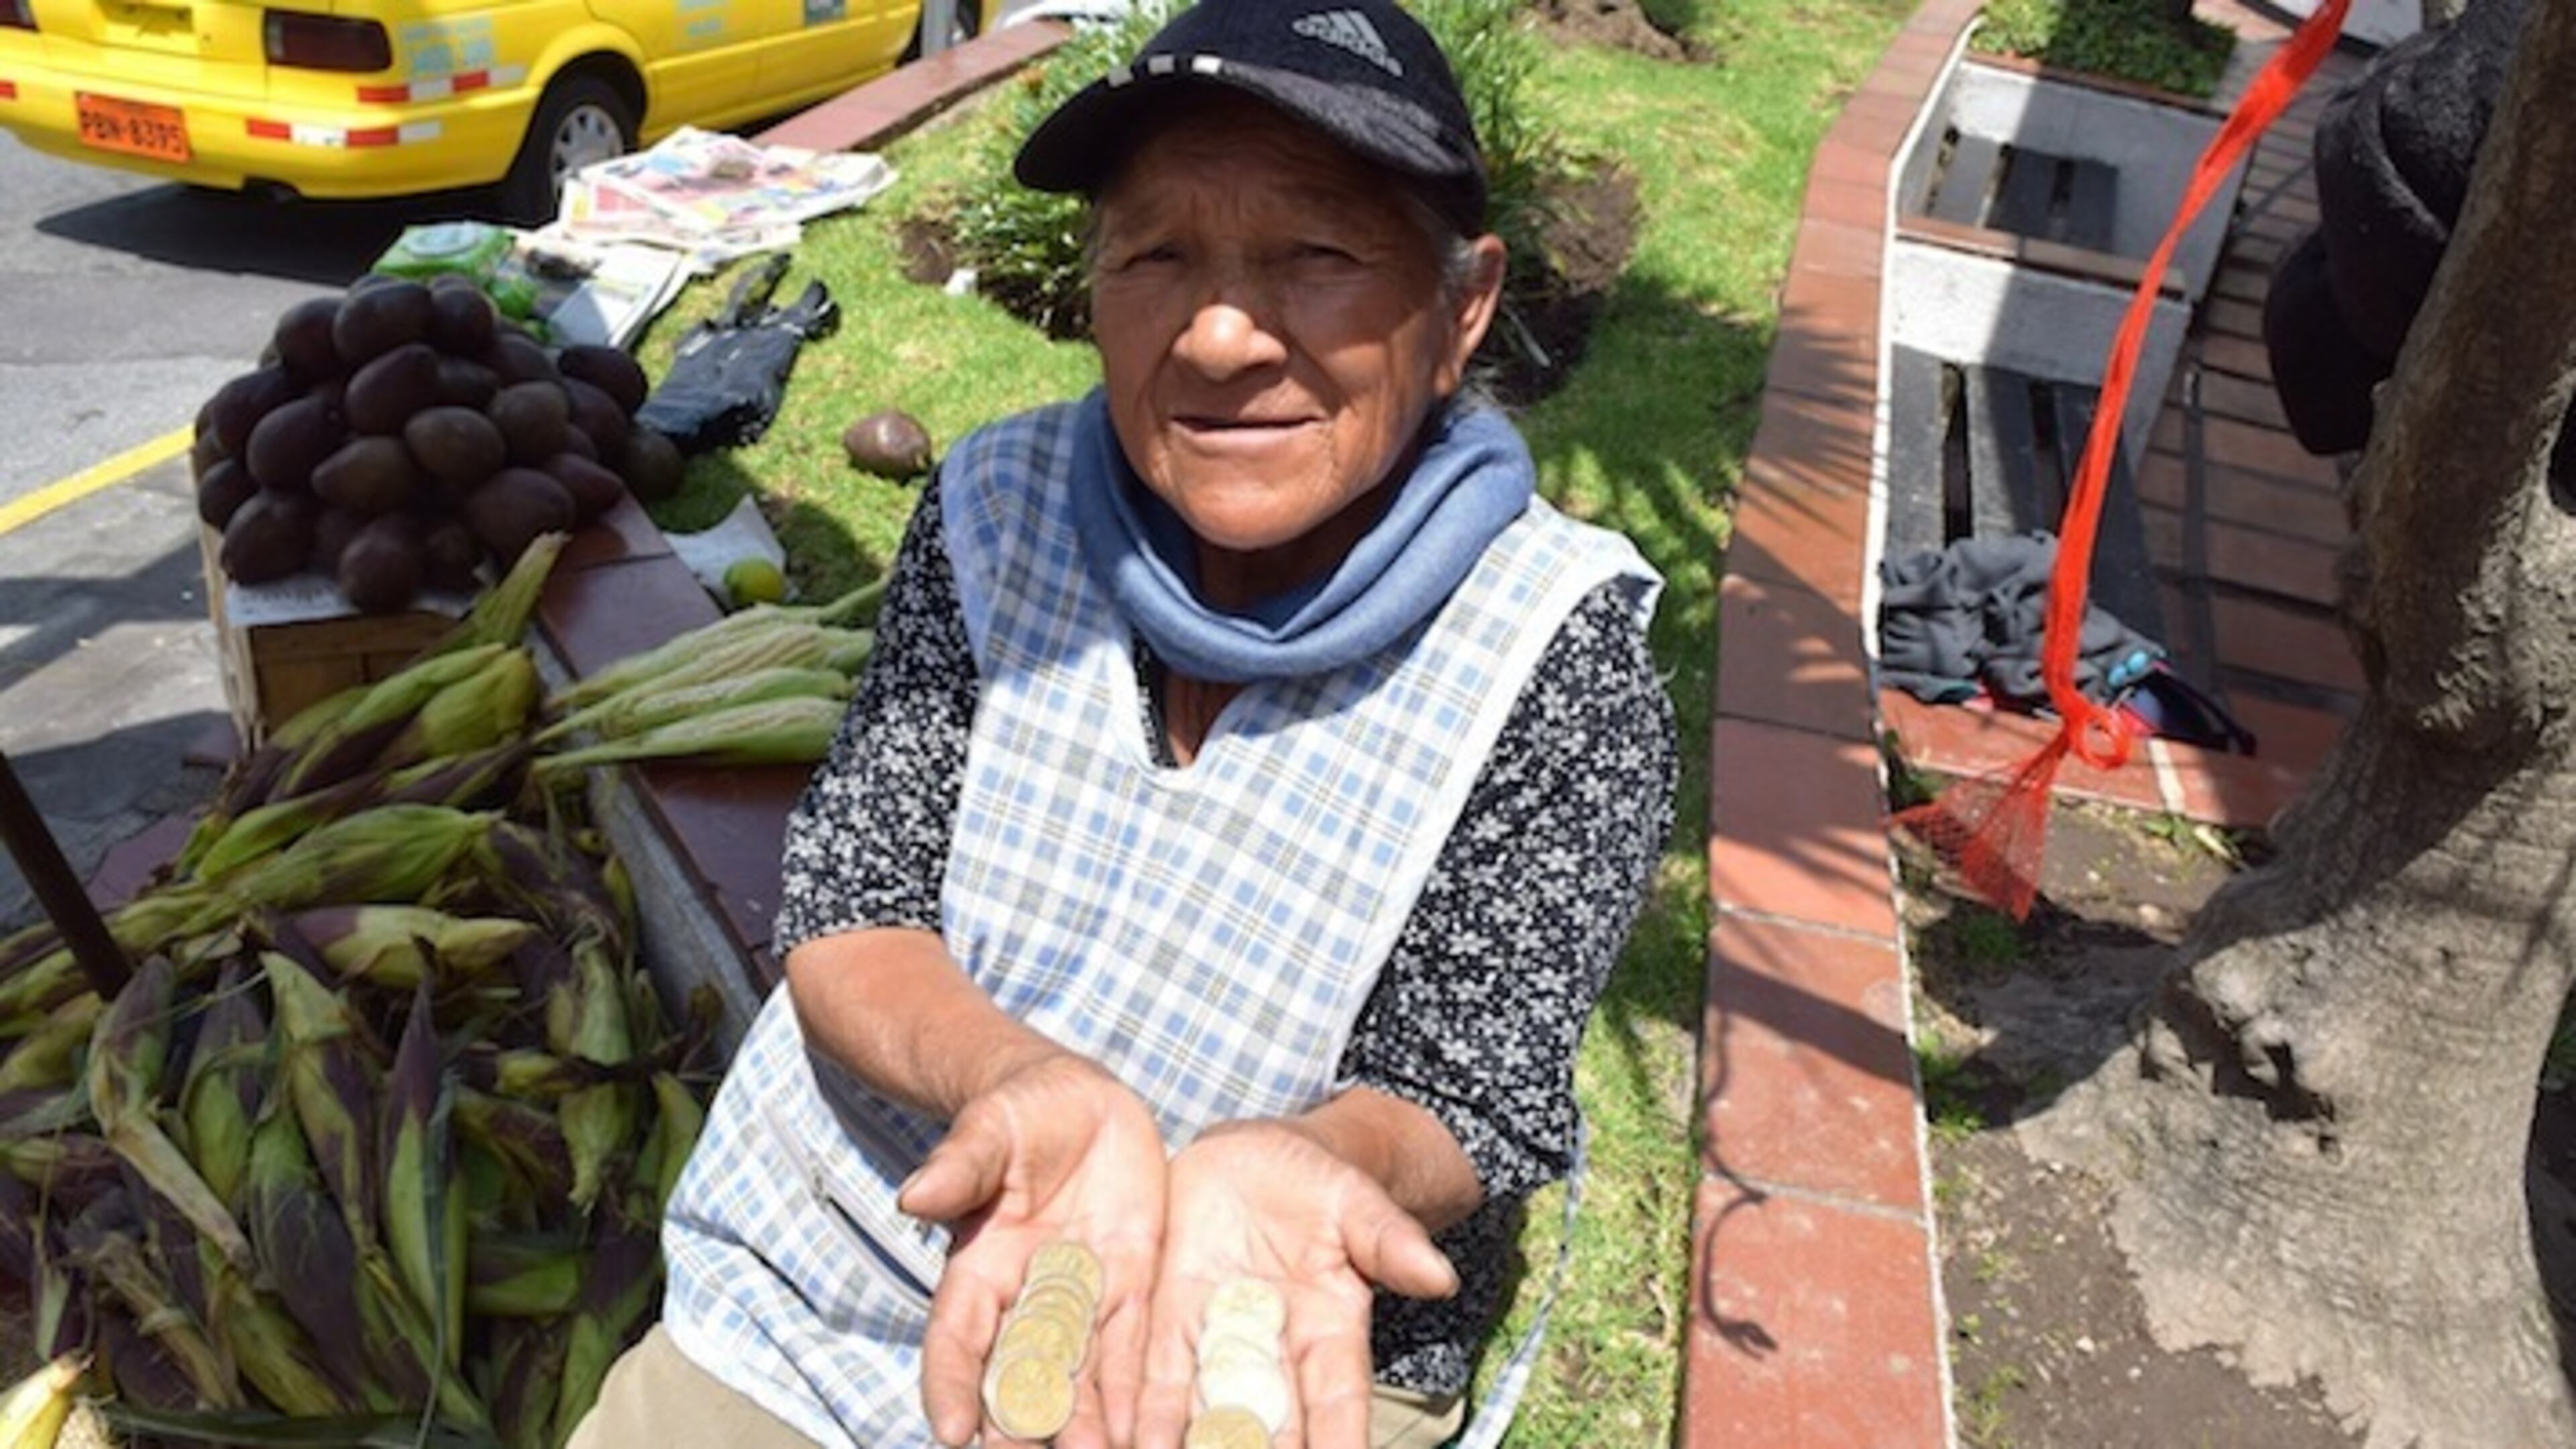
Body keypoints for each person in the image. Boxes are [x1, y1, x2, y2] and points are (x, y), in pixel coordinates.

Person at [572, 2, 1676, 1444]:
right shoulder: (992, 511)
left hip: (1262, 1321)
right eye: (1157, 255)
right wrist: (1016, 1083)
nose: (1219, 337)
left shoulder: (1555, 658)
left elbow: (1465, 1093)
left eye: (1318, 256)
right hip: (850, 1256)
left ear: (1463, 307)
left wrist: (1287, 1164)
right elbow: (856, 906)